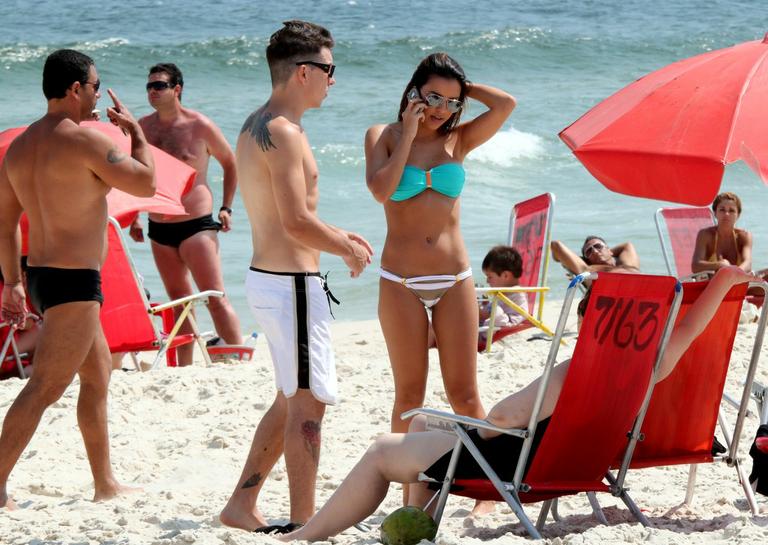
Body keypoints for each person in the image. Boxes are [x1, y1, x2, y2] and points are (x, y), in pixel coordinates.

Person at [279, 266, 756, 542]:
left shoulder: (575, 370)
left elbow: (504, 419)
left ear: (591, 323)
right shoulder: (650, 366)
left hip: (514, 466)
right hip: (573, 462)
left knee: (385, 449)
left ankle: (305, 537)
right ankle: (420, 524)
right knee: (425, 419)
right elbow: (690, 329)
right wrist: (727, 280)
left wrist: (474, 428)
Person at [218, 21, 373, 533]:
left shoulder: (257, 123)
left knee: (291, 398)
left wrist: (336, 232)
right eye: (330, 70)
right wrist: (345, 247)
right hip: (290, 287)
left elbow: (289, 214)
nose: (334, 80)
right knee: (309, 407)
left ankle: (241, 506)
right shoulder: (281, 132)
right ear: (304, 71)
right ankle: (306, 522)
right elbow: (294, 221)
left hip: (274, 279)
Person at [0, 49, 155, 509]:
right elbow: (146, 184)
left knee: (97, 374)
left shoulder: (21, 146)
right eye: (93, 86)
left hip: (43, 276)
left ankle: (104, 482)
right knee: (46, 386)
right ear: (73, 89)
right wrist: (136, 133)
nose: (94, 95)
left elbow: (5, 224)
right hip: (74, 282)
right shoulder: (84, 141)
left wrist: (12, 282)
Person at [365, 53, 516, 441]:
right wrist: (410, 135)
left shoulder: (459, 138)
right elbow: (381, 191)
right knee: (409, 398)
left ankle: (487, 492)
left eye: (452, 103)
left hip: (453, 280)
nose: (442, 110)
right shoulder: (382, 136)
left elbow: (505, 104)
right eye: (434, 98)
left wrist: (462, 88)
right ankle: (406, 493)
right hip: (400, 282)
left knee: (465, 397)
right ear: (413, 92)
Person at [130, 62, 242, 365]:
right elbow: (135, 173)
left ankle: (237, 356)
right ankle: (185, 367)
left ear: (177, 89)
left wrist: (226, 207)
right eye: (149, 86)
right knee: (179, 304)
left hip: (197, 225)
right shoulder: (143, 127)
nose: (152, 91)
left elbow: (231, 163)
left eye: (159, 86)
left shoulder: (199, 125)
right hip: (159, 227)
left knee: (214, 297)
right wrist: (135, 216)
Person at [691, 192, 752, 274]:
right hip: (712, 284)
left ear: (738, 215)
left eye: (731, 211)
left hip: (737, 283)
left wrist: (734, 273)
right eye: (722, 210)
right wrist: (719, 265)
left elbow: (748, 264)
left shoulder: (744, 236)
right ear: (715, 213)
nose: (726, 214)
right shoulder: (706, 235)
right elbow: (695, 266)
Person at [478, 245, 526, 340]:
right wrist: (486, 305)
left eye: (490, 277)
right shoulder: (503, 291)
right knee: (485, 305)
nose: (487, 281)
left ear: (505, 275)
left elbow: (507, 318)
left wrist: (486, 312)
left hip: (508, 323)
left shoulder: (516, 292)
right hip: (499, 321)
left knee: (493, 310)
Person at [551, 236, 640, 275]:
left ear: (609, 250)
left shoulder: (627, 264)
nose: (595, 251)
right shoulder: (587, 271)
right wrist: (583, 261)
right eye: (589, 251)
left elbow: (627, 245)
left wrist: (606, 254)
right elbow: (555, 245)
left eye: (598, 246)